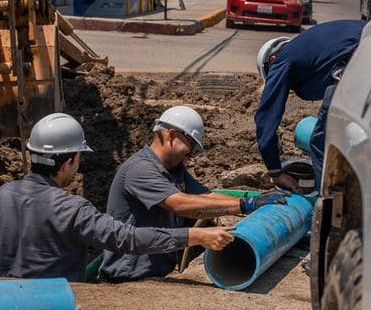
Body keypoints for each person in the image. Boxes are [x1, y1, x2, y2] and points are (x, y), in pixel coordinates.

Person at [0, 112, 236, 282]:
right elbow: (129, 239)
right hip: (54, 309)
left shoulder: (0, 196)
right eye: (79, 158)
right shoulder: (73, 208)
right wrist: (194, 236)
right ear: (69, 161)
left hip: (5, 302)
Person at [99, 106, 289, 283]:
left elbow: (206, 197)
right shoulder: (140, 169)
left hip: (155, 273)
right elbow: (181, 205)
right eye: (189, 147)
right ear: (172, 135)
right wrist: (244, 205)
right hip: (126, 276)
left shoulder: (173, 169)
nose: (189, 154)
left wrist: (253, 202)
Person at [255, 19, 364, 189]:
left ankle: (331, 207)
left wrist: (275, 172)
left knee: (324, 143)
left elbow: (266, 118)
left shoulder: (282, 60)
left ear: (272, 59)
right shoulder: (312, 46)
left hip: (359, 67)